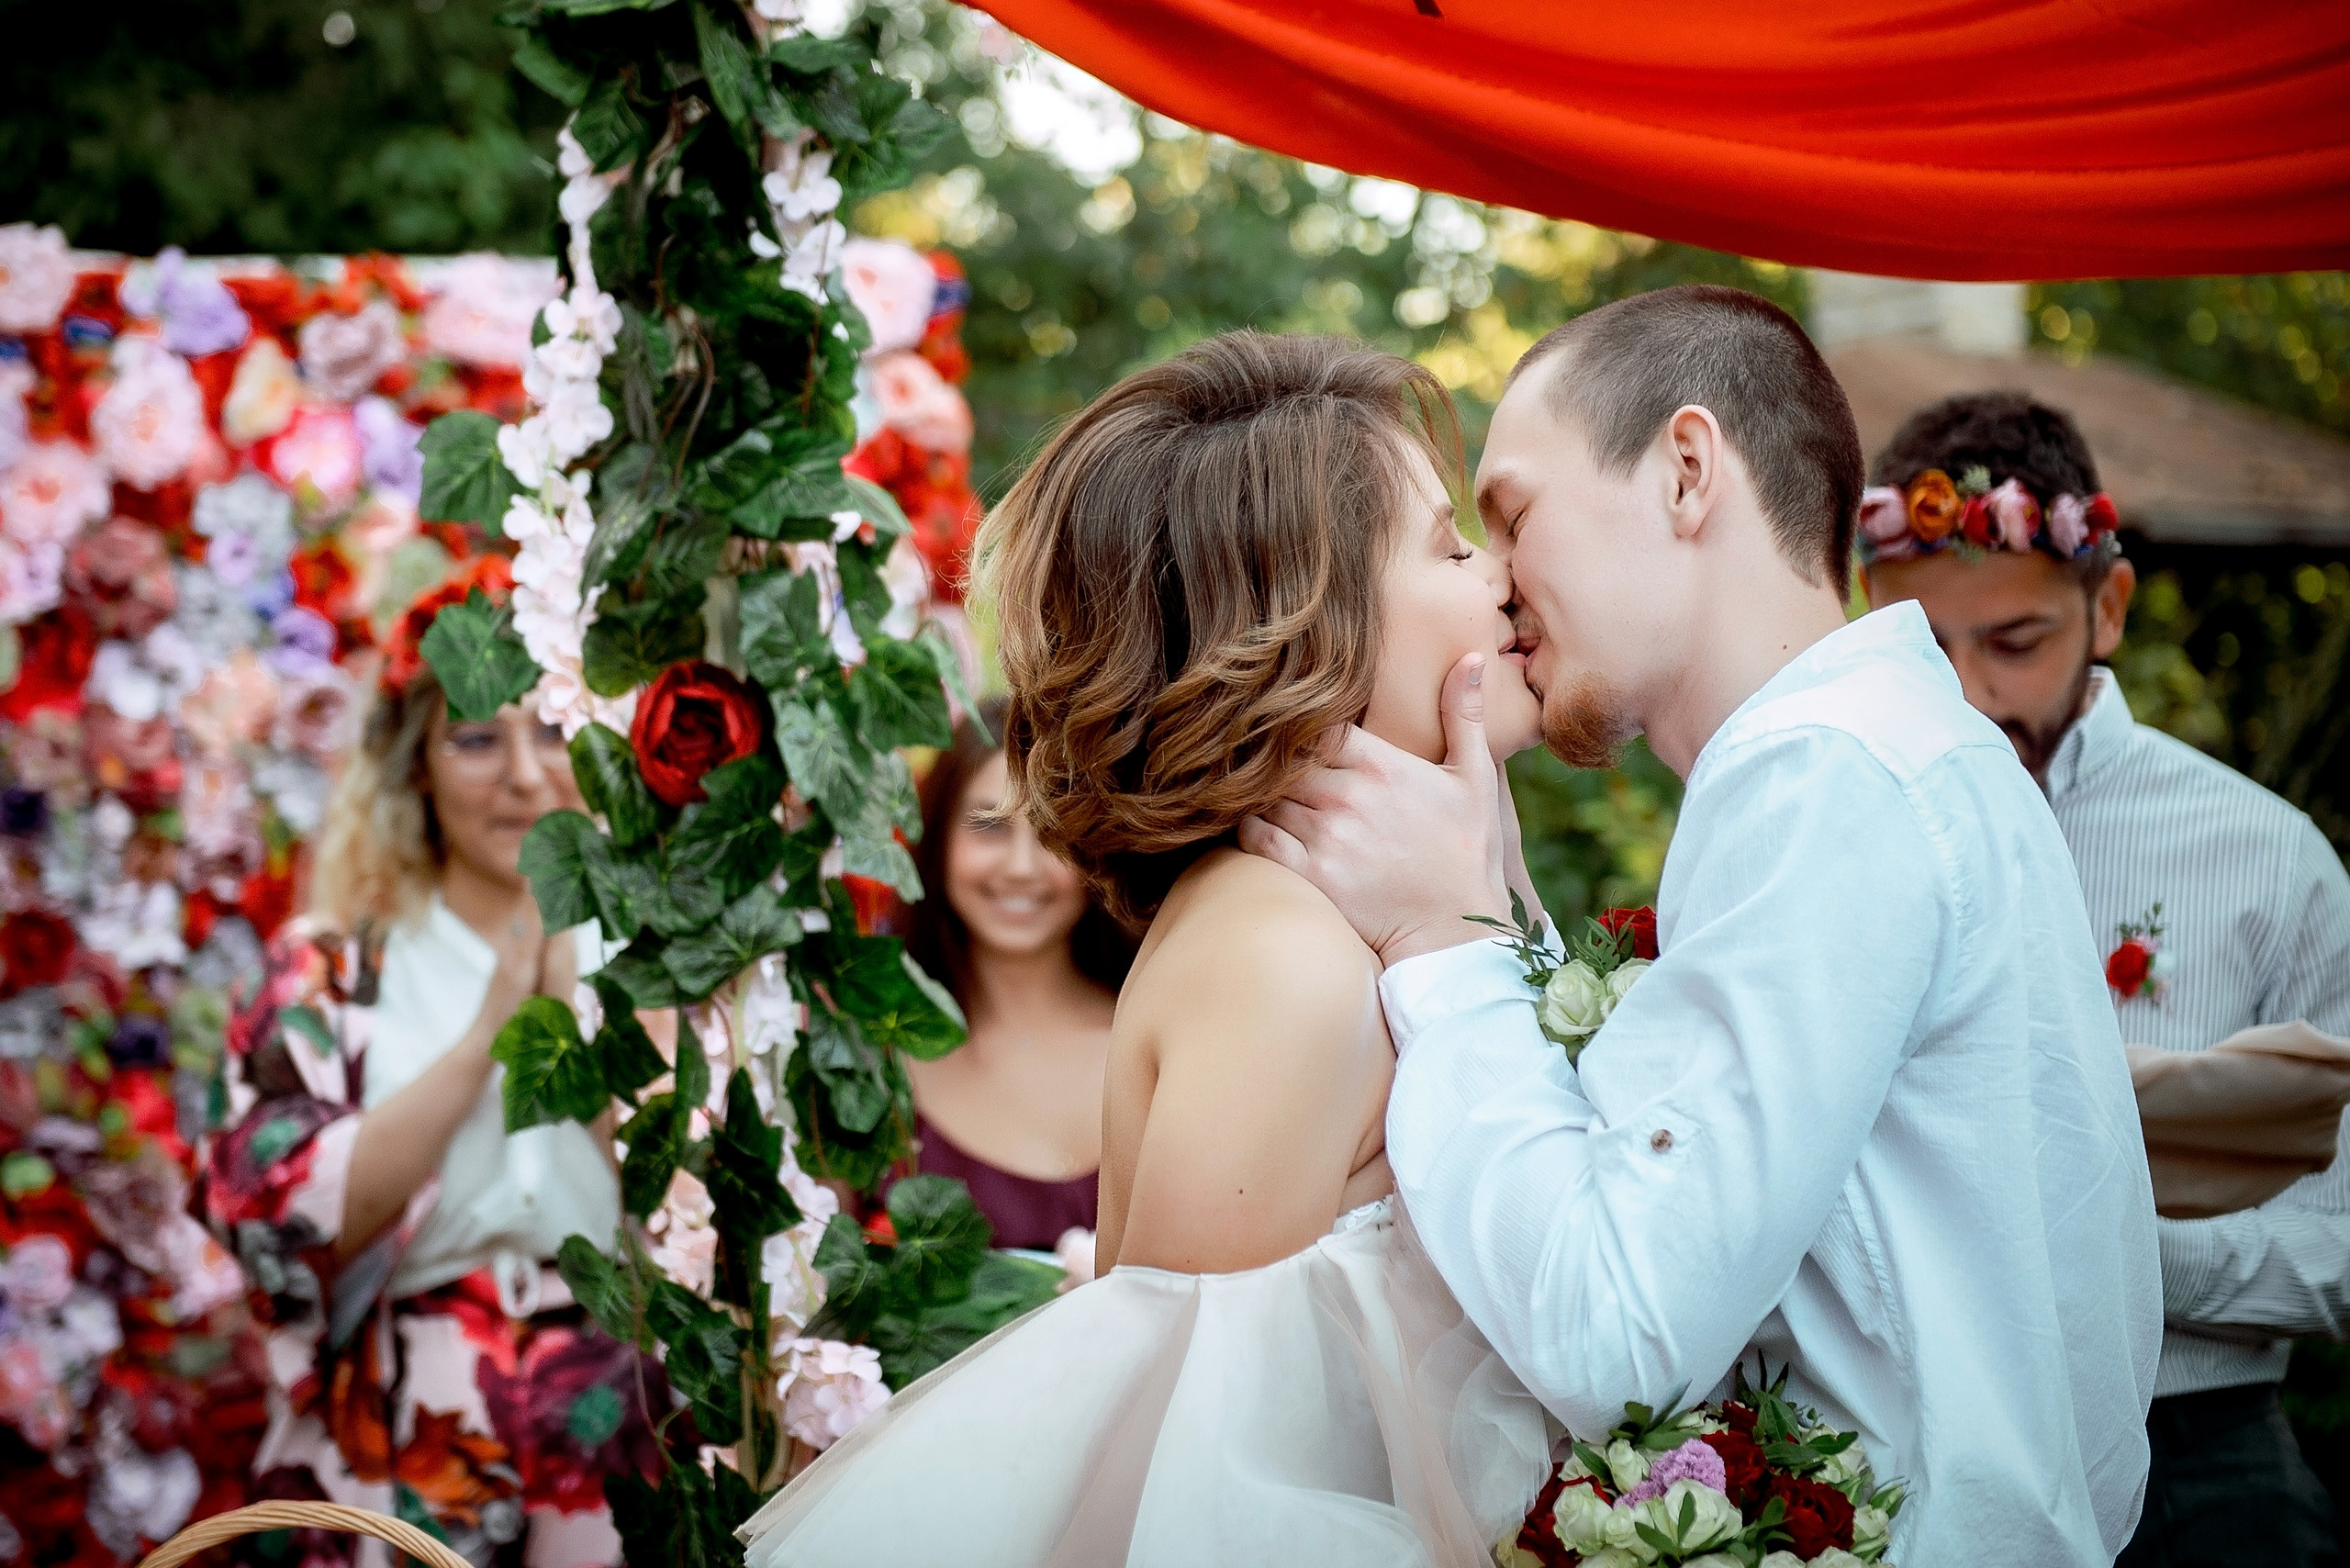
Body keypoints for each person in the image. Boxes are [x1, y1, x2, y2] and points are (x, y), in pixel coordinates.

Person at [1240, 286, 2163, 1564]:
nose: (1495, 585)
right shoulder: (1892, 756)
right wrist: (1496, 905)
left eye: (1510, 516)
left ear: (1685, 472)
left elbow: (1614, 1334)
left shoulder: (1831, 778)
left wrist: (1439, 947)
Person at [739, 332, 1554, 1564]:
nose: (1501, 578)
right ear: (1303, 636)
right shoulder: (1280, 958)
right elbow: (1190, 1487)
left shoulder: (1359, 921)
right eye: (1448, 545)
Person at [1859, 390, 2350, 1568]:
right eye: (1926, 650)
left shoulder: (2267, 857)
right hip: (1911, 1458)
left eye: (2014, 643)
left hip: (2203, 1468)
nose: (1971, 695)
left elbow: (2341, 1247)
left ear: (2108, 605)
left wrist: (2106, 1238)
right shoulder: (1841, 836)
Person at [202, 564, 668, 1568]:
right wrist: (492, 1033)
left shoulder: (661, 961)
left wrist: (581, 1030)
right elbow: (275, 1211)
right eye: (474, 737)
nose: (523, 773)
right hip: (403, 1424)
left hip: (613, 1428)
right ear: (416, 762)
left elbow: (706, 1215)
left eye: (550, 728)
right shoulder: (332, 967)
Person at [894, 697, 1133, 1261]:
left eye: (1054, 833)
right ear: (938, 836)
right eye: (989, 828)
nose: (1022, 867)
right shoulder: (869, 1056)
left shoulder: (1156, 1040)